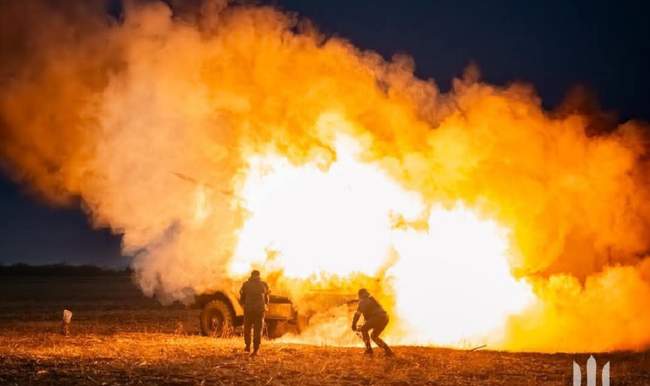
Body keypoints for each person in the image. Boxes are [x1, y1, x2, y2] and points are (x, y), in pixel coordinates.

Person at [351, 288, 394, 356]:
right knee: (374, 336)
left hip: (377, 317)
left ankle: (368, 350)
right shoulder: (371, 299)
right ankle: (388, 351)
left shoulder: (363, 301)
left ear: (360, 295)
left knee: (364, 329)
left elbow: (357, 314)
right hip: (385, 318)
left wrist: (353, 324)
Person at [239, 270, 269, 356]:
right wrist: (266, 305)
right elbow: (267, 296)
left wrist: (243, 304)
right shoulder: (263, 284)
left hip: (248, 310)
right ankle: (256, 350)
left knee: (247, 329)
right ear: (259, 276)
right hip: (259, 311)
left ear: (251, 276)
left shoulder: (246, 284)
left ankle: (248, 346)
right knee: (257, 330)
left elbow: (242, 296)